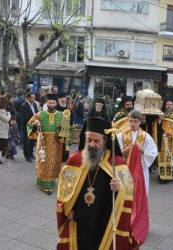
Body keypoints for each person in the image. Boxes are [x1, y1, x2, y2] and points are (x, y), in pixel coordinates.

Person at [56, 117, 138, 249]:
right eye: (89, 140)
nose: (92, 144)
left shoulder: (116, 163)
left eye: (96, 141)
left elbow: (128, 194)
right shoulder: (75, 159)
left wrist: (119, 189)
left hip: (104, 221)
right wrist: (67, 210)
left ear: (105, 141)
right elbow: (64, 189)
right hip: (79, 220)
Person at [27, 93, 70, 195]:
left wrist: (61, 133)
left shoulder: (61, 115)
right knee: (42, 162)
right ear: (46, 102)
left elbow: (66, 130)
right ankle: (40, 181)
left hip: (55, 144)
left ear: (56, 103)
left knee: (52, 163)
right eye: (50, 102)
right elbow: (29, 124)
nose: (51, 104)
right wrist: (35, 126)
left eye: (53, 102)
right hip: (42, 143)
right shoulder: (39, 114)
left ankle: (49, 184)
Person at [117, 110, 158, 195]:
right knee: (125, 194)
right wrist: (126, 150)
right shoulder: (121, 135)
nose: (132, 123)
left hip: (140, 169)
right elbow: (116, 153)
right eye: (130, 121)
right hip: (125, 169)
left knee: (139, 193)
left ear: (140, 121)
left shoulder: (146, 136)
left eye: (135, 121)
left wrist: (142, 149)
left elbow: (153, 152)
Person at [152, 97, 173, 183]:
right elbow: (155, 126)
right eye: (167, 104)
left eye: (170, 104)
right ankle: (164, 176)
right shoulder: (160, 115)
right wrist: (160, 120)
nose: (169, 106)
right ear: (165, 105)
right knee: (164, 158)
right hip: (162, 141)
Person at [0, 96, 12, 164]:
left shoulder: (0, 110)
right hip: (0, 130)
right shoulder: (0, 111)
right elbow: (6, 119)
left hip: (0, 130)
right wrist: (9, 114)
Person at [21, 92, 39, 162]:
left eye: (34, 97)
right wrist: (33, 121)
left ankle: (31, 154)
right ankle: (27, 156)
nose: (34, 99)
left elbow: (37, 113)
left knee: (32, 141)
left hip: (34, 126)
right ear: (28, 98)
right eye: (32, 98)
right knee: (26, 142)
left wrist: (37, 120)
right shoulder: (24, 106)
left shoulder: (34, 104)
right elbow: (25, 117)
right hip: (27, 126)